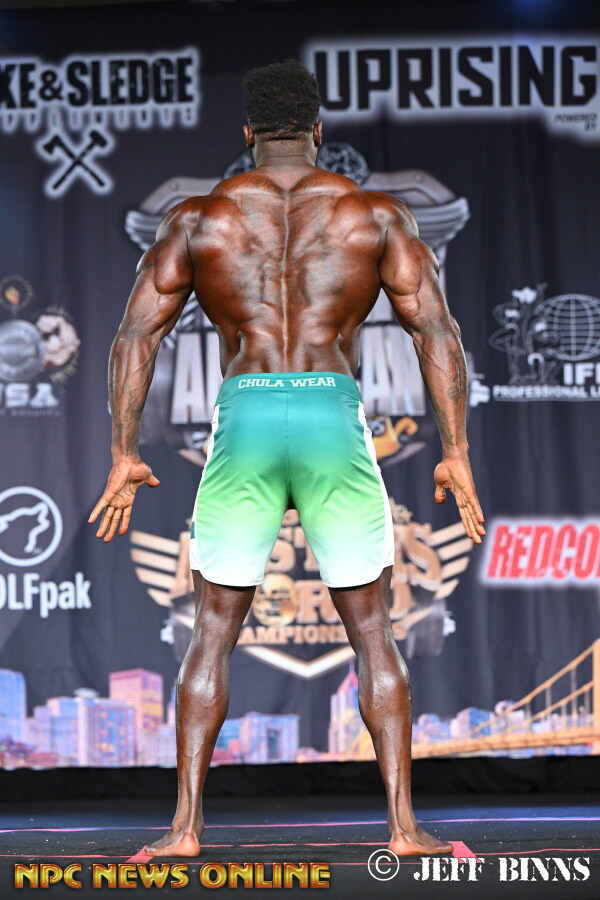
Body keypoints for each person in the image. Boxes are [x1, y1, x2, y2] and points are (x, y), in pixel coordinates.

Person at [89, 59, 485, 858]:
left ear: (247, 134)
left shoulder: (198, 218)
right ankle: (404, 829)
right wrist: (456, 451)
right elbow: (436, 331)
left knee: (212, 630)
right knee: (373, 629)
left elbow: (135, 336)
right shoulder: (374, 214)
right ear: (318, 130)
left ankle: (184, 830)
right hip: (330, 414)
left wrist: (124, 452)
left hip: (248, 415)